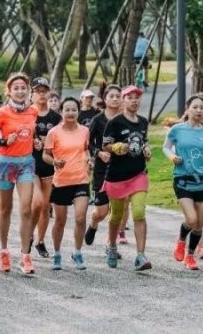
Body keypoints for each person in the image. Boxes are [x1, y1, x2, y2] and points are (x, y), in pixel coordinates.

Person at [0, 72, 38, 274]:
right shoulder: (1, 113)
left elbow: (34, 134)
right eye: (15, 88)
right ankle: (4, 250)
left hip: (27, 163)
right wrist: (3, 142)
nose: (19, 91)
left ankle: (25, 256)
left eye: (23, 87)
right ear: (9, 91)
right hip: (7, 163)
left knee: (26, 209)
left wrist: (37, 142)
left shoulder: (33, 111)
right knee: (5, 209)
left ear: (27, 90)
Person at [164, 94, 203, 270]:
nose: (198, 110)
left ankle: (190, 255)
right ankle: (181, 241)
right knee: (192, 218)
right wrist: (172, 156)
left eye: (201, 107)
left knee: (200, 223)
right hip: (182, 179)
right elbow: (166, 147)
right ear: (187, 109)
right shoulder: (177, 130)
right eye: (194, 107)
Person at [101, 85, 152, 272]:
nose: (134, 101)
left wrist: (147, 150)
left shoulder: (143, 122)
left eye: (137, 97)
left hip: (138, 174)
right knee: (116, 216)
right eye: (130, 97)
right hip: (116, 177)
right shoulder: (115, 122)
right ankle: (112, 245)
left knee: (139, 212)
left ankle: (140, 255)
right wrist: (116, 148)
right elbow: (105, 145)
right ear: (123, 101)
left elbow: (144, 141)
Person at [42, 97, 91, 270]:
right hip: (61, 181)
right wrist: (54, 161)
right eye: (67, 110)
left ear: (78, 111)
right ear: (61, 112)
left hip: (81, 179)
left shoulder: (85, 131)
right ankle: (56, 253)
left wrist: (89, 161)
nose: (70, 113)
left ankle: (77, 252)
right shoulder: (53, 132)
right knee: (60, 221)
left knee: (80, 217)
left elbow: (86, 151)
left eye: (74, 110)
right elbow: (45, 155)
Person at [84, 84, 121, 246]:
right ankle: (93, 223)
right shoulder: (97, 120)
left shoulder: (125, 119)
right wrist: (98, 152)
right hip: (102, 169)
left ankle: (111, 243)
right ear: (105, 99)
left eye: (117, 96)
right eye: (111, 96)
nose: (114, 99)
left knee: (118, 210)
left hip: (122, 168)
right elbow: (87, 142)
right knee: (102, 211)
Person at [30, 76, 60, 258]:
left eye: (44, 91)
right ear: (32, 94)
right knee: (37, 202)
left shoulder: (56, 117)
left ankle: (40, 241)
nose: (41, 95)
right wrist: (32, 142)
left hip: (49, 165)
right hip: (30, 164)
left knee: (45, 207)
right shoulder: (27, 114)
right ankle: (29, 235)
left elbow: (62, 140)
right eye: (38, 91)